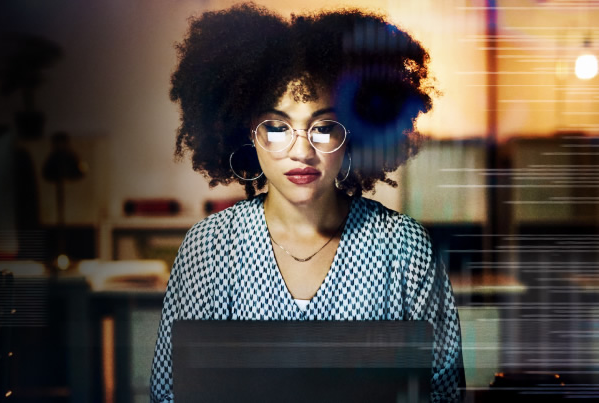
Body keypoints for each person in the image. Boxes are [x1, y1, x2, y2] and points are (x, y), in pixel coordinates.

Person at [151, 3, 465, 402]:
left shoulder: (403, 247)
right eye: (278, 127)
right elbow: (169, 394)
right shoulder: (209, 249)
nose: (302, 152)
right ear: (246, 133)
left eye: (323, 127)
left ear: (352, 134)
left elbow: (444, 394)